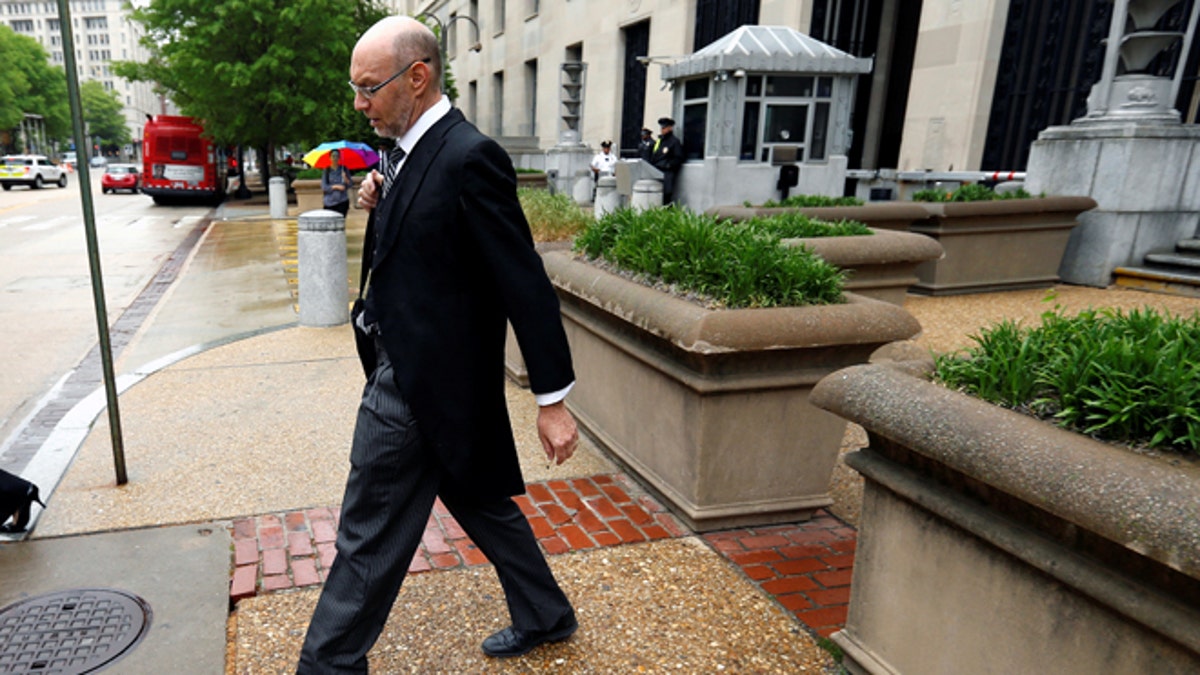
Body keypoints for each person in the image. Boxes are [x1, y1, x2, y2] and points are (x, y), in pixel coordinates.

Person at [296, 16, 581, 673]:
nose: (358, 102)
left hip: (419, 385)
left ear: (416, 78)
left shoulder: (468, 155)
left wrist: (552, 397)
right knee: (477, 497)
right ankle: (546, 611)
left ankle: (327, 664)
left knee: (367, 532)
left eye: (369, 88)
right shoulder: (409, 151)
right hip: (422, 368)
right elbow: (422, 244)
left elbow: (523, 282)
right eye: (355, 87)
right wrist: (382, 197)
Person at [649, 117, 684, 204]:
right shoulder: (660, 141)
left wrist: (668, 165)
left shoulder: (674, 141)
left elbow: (678, 158)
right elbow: (655, 155)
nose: (662, 130)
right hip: (656, 172)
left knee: (666, 197)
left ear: (670, 128)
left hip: (667, 173)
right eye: (661, 128)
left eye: (664, 128)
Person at [320, 149, 354, 216]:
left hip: (342, 201)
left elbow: (350, 184)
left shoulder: (344, 169)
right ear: (330, 158)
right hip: (329, 202)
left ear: (339, 158)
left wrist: (345, 178)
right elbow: (324, 187)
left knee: (341, 222)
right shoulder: (327, 170)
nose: (335, 158)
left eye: (337, 156)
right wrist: (336, 187)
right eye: (333, 156)